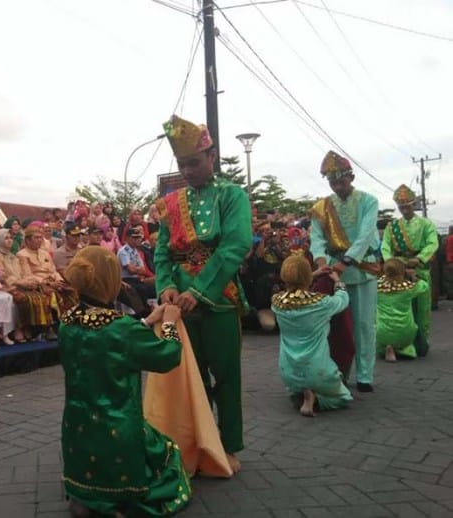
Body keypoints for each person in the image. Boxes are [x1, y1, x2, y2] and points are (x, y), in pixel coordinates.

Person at [59, 246, 190, 517]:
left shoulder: (67, 321)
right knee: (168, 455)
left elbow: (103, 343)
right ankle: (117, 502)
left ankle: (86, 495)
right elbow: (167, 357)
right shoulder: (121, 328)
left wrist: (144, 322)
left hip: (78, 427)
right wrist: (168, 324)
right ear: (110, 281)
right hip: (118, 429)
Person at [154, 115, 252, 471]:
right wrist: (165, 285)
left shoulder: (232, 195)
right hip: (178, 304)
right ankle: (192, 443)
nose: (189, 170)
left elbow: (235, 245)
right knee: (186, 378)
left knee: (224, 375)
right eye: (182, 165)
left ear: (212, 157)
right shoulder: (171, 203)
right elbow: (162, 251)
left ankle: (228, 446)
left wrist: (199, 288)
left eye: (194, 162)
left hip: (219, 296)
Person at [309, 150, 380, 393]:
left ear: (351, 177)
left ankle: (364, 375)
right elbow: (316, 238)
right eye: (332, 182)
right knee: (336, 327)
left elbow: (366, 234)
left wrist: (346, 260)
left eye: (341, 181)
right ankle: (337, 372)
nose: (337, 186)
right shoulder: (322, 207)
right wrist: (321, 263)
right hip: (333, 273)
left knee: (363, 324)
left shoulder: (369, 201)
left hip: (361, 270)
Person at [272, 255, 353, 417]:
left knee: (297, 388)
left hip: (289, 372)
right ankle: (315, 399)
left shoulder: (276, 302)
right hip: (319, 371)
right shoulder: (321, 304)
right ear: (307, 276)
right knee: (344, 397)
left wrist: (313, 274)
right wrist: (338, 281)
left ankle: (302, 394)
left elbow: (291, 289)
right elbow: (342, 300)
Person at [380, 184, 439, 357]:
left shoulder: (426, 224)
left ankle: (420, 344)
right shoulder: (392, 227)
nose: (404, 209)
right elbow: (385, 247)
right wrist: (392, 264)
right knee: (398, 310)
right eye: (401, 206)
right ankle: (397, 344)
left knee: (422, 308)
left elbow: (433, 243)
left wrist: (420, 258)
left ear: (414, 204)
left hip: (419, 269)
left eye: (407, 205)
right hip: (398, 273)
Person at [0, 228, 54, 342]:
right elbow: (1, 276)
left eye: (11, 238)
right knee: (24, 298)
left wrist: (28, 281)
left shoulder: (12, 255)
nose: (9, 241)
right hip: (5, 286)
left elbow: (21, 273)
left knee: (39, 296)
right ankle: (18, 328)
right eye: (6, 238)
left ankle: (37, 328)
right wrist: (20, 282)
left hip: (19, 284)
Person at [17, 222, 77, 339]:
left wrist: (59, 281)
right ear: (28, 240)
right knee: (52, 294)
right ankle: (49, 327)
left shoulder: (45, 253)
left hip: (52, 281)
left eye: (41, 238)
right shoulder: (22, 254)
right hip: (37, 285)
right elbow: (27, 275)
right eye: (36, 238)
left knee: (72, 292)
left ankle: (70, 324)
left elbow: (53, 270)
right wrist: (48, 283)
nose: (39, 240)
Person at [376, 258, 429, 362]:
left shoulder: (377, 287)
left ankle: (387, 347)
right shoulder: (408, 289)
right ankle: (402, 349)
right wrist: (413, 277)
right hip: (405, 332)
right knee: (409, 332)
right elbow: (424, 286)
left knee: (380, 329)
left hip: (381, 332)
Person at [447, 225, 453, 300]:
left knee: (450, 279)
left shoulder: (450, 238)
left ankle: (450, 294)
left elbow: (449, 250)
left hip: (451, 260)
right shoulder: (451, 238)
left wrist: (449, 261)